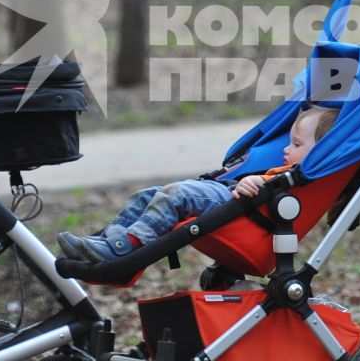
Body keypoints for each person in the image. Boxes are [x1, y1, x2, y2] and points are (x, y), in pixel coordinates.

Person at [58, 106, 338, 262]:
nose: (287, 150)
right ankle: (108, 241)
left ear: (321, 150)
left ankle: (127, 246)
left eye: (297, 144)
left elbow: (267, 189)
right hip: (227, 193)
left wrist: (252, 181)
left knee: (176, 194)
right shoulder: (292, 167)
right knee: (148, 195)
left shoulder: (300, 175)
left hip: (235, 204)